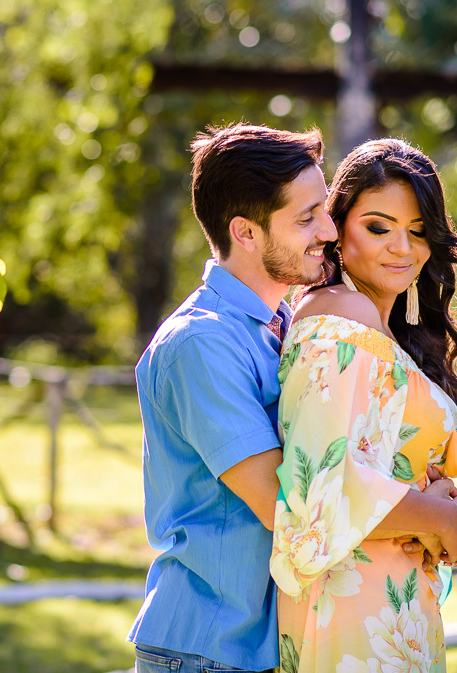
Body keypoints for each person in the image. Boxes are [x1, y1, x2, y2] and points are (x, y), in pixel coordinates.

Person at [271, 138, 457, 673]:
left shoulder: (380, 328)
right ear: (336, 227)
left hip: (396, 603)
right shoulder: (334, 320)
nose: (402, 248)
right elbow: (318, 491)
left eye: (418, 231)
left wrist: (448, 506)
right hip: (350, 607)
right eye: (378, 226)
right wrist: (449, 518)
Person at [128, 123, 338, 673]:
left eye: (326, 209)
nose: (330, 229)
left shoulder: (284, 324)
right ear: (245, 232)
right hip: (209, 649)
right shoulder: (202, 343)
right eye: (307, 217)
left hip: (263, 646)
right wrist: (425, 518)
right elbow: (282, 503)